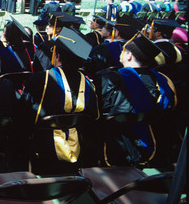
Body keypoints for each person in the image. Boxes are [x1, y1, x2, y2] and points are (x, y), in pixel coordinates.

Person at [20, 27, 99, 173]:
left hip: (43, 146)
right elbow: (93, 116)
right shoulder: (88, 84)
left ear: (57, 56)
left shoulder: (41, 78)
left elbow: (24, 113)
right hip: (77, 146)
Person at [94, 34, 177, 166]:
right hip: (151, 139)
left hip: (113, 143)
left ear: (129, 56)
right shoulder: (162, 80)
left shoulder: (110, 78)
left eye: (123, 51)